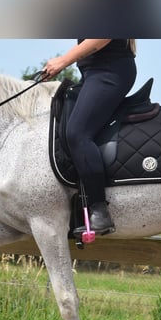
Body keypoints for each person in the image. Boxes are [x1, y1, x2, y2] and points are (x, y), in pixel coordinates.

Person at [43, 39, 137, 234]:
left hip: (110, 71)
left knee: (78, 133)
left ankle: (99, 210)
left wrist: (62, 61)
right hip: (91, 73)